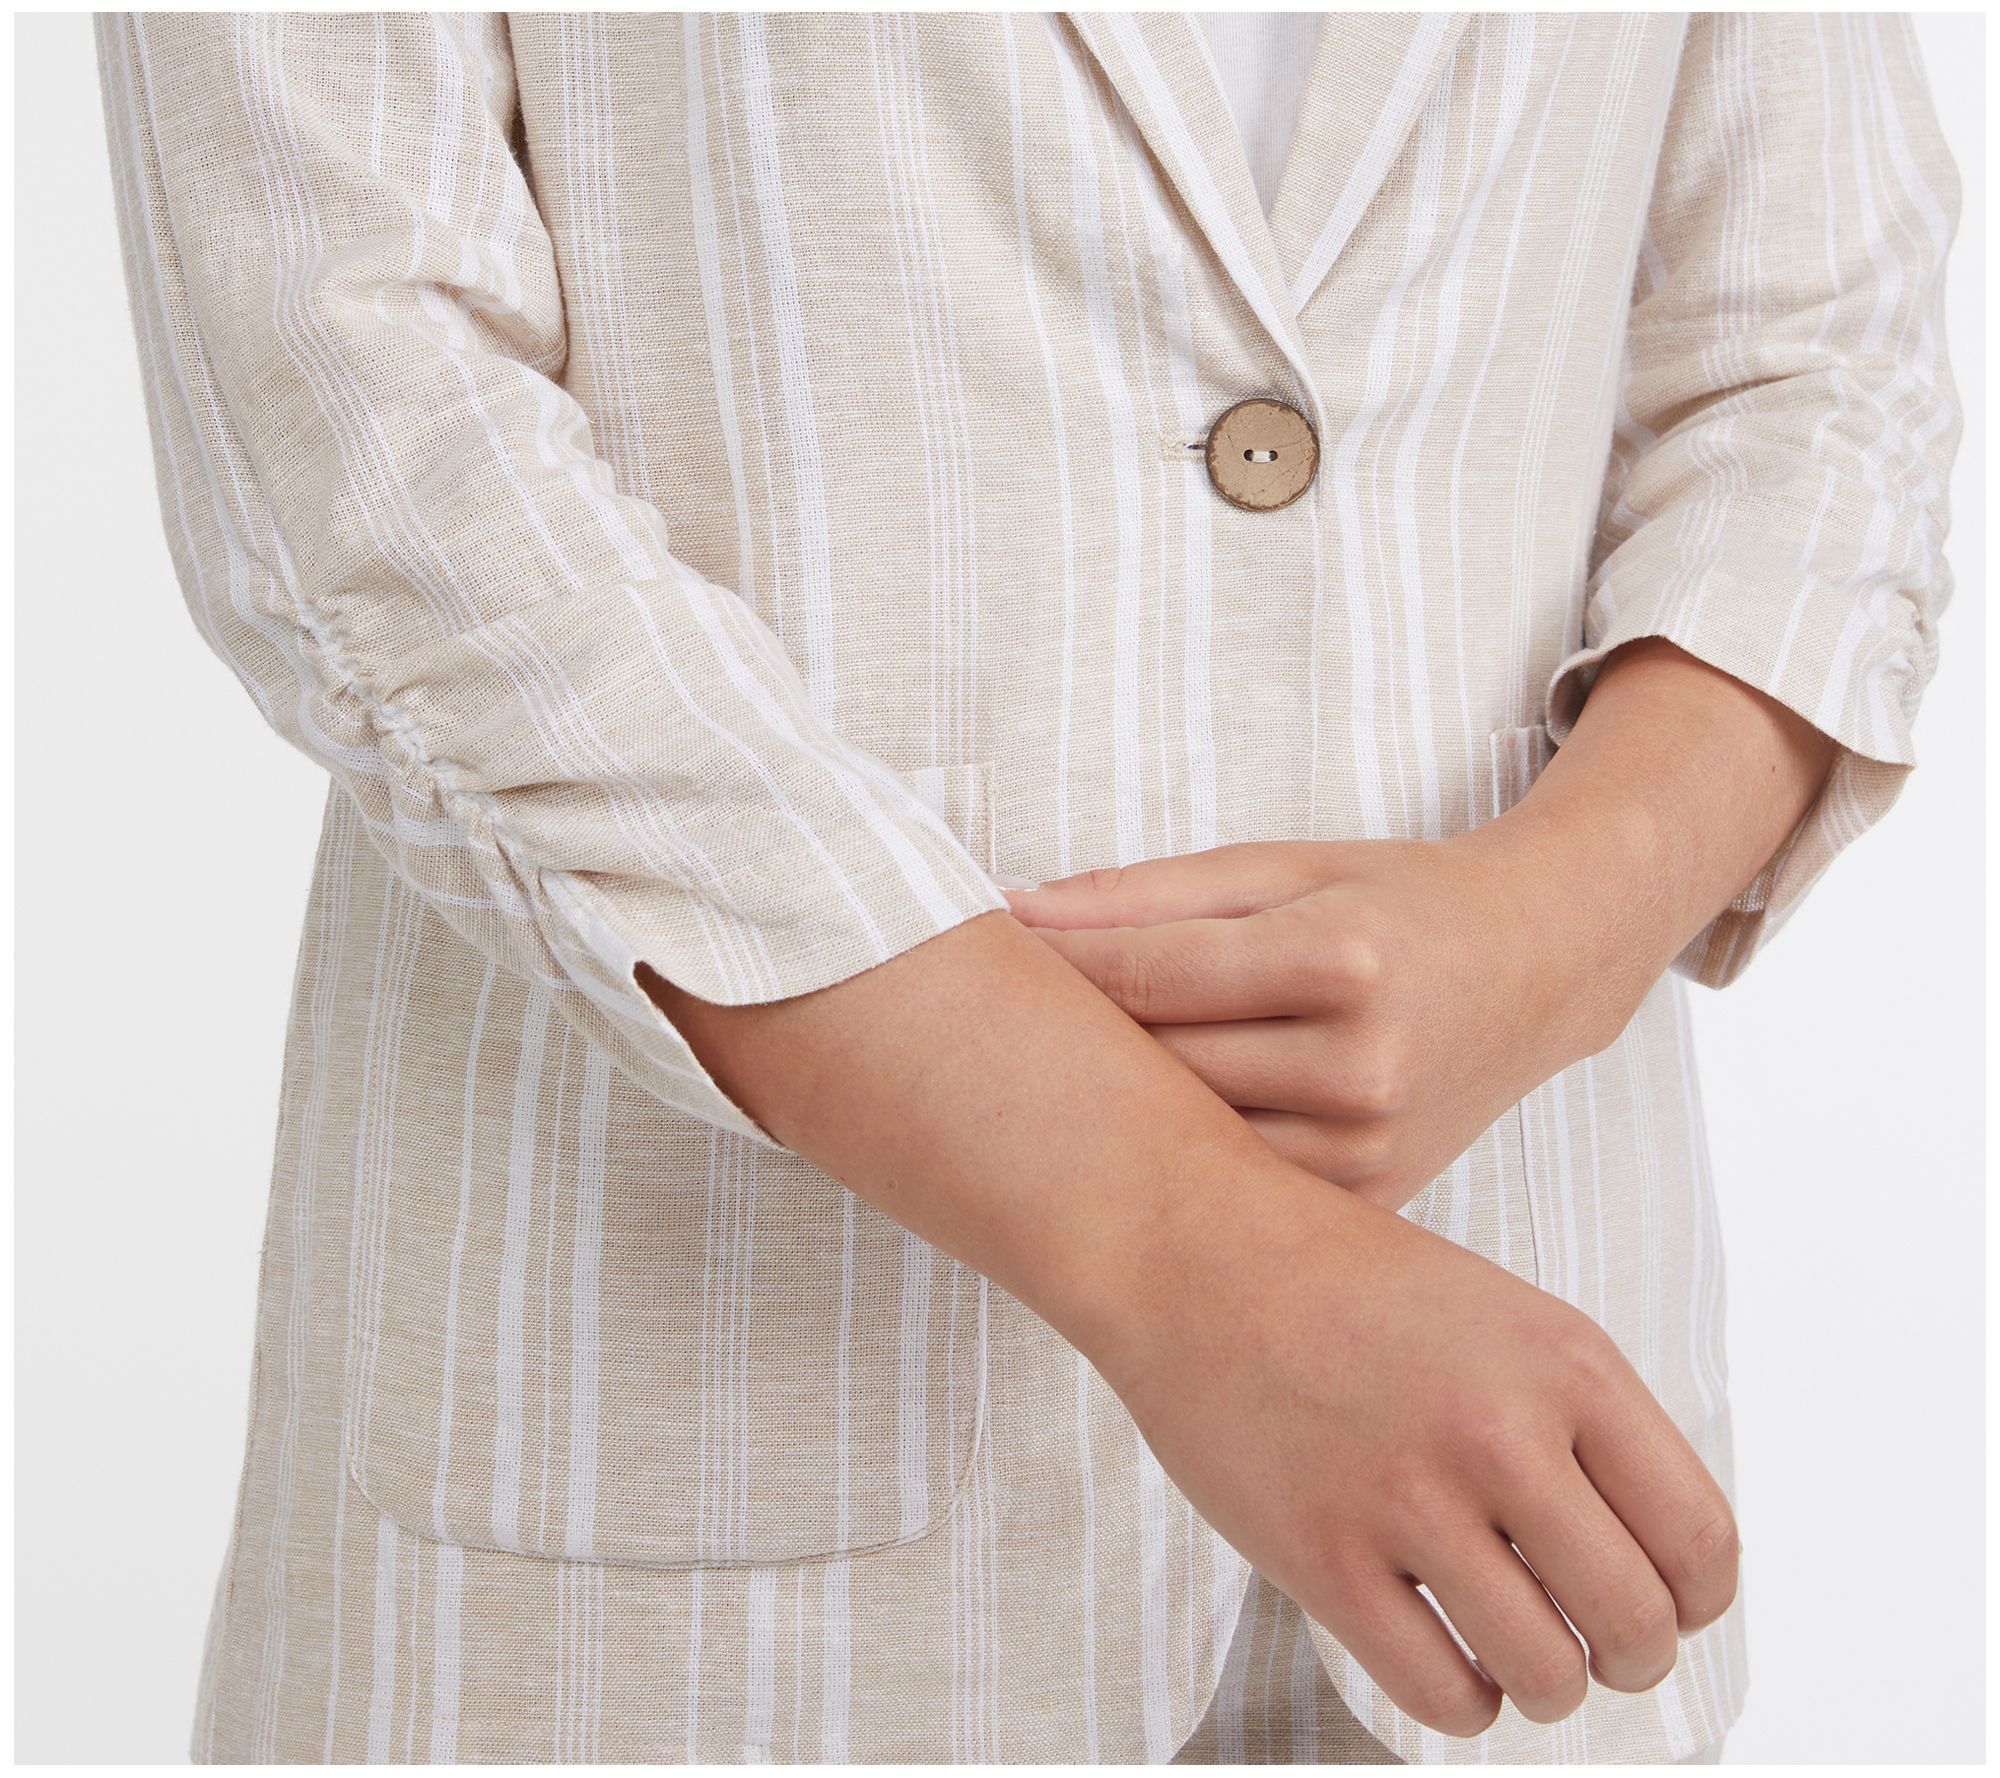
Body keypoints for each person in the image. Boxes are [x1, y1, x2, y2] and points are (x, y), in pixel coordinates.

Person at [98, 10, 1957, 1765]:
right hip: (697, 1533)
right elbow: (367, 441)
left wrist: (1555, 922)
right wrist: (1189, 1247)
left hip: (1522, 1464)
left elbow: (1818, 355)